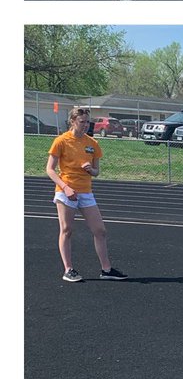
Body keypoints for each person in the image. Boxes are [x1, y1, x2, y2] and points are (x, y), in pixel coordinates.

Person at [46, 106, 128, 283]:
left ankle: (106, 270)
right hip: (66, 191)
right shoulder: (61, 141)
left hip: (86, 192)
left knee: (100, 230)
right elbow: (50, 170)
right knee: (67, 230)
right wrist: (65, 187)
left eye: (87, 122)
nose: (85, 125)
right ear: (73, 121)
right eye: (82, 122)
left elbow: (97, 172)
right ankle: (68, 269)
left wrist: (91, 170)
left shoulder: (92, 144)